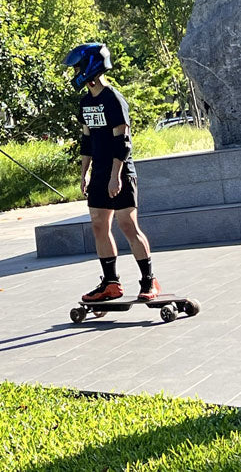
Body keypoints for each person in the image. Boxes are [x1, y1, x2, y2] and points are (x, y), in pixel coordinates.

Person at [63, 43, 162, 303]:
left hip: (120, 172)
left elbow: (123, 143)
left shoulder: (113, 99)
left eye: (78, 67)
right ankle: (111, 283)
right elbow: (86, 141)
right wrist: (84, 173)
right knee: (99, 225)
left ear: (91, 67)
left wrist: (115, 176)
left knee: (128, 225)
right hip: (99, 174)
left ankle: (149, 281)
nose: (75, 72)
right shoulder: (85, 102)